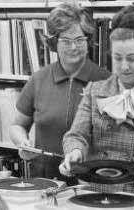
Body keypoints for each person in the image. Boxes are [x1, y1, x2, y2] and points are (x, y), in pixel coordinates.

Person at [58, 5, 134, 202]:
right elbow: (77, 135)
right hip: (96, 193)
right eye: (117, 58)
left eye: (132, 58)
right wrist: (74, 152)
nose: (124, 66)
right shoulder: (94, 90)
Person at [9, 3, 111, 181]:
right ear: (54, 42)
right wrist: (22, 143)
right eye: (66, 41)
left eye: (80, 39)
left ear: (88, 40)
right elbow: (17, 126)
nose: (74, 47)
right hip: (45, 181)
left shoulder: (106, 81)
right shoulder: (38, 79)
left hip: (91, 182)